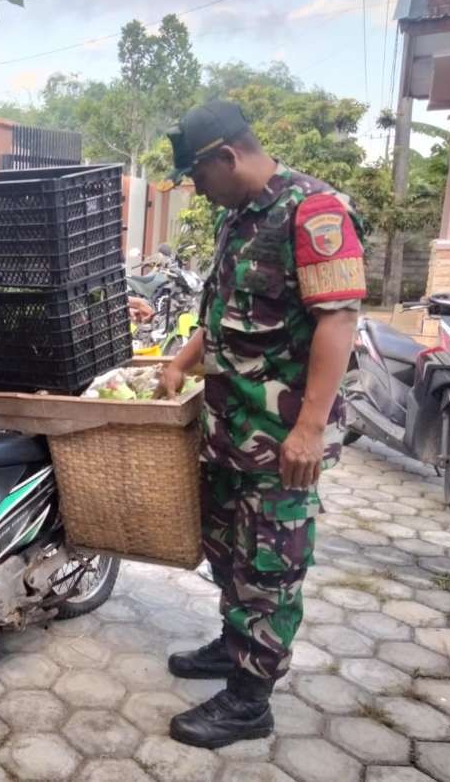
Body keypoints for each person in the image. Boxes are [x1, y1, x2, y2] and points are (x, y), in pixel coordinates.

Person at [155, 100, 365, 749]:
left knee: (270, 562)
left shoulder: (314, 210)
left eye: (197, 174)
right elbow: (219, 310)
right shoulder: (237, 219)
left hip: (280, 437)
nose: (196, 189)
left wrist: (309, 428)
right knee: (226, 549)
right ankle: (233, 644)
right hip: (227, 424)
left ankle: (251, 700)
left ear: (227, 156)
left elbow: (338, 320)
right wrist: (181, 362)